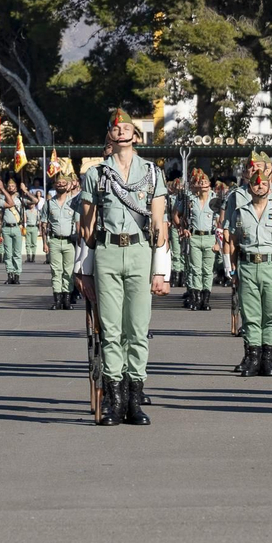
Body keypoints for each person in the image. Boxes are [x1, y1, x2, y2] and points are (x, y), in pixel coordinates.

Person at [77, 108, 169, 426]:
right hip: (107, 252)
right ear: (109, 135)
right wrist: (83, 270)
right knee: (111, 330)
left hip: (141, 251)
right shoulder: (95, 174)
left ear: (135, 134)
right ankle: (115, 401)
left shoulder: (152, 173)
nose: (121, 132)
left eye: (126, 127)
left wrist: (161, 270)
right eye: (115, 129)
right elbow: (86, 229)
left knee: (138, 330)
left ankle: (134, 401)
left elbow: (159, 224)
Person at [225, 152, 272, 377]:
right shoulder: (237, 199)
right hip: (247, 264)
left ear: (270, 172)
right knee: (250, 313)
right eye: (251, 167)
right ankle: (252, 356)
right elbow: (231, 236)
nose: (258, 182)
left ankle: (269, 356)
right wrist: (230, 269)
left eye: (260, 167)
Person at [177, 168, 218, 311]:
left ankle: (205, 300)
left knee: (207, 270)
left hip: (210, 237)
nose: (202, 185)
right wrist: (183, 228)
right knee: (195, 269)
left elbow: (221, 222)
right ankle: (195, 297)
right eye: (200, 183)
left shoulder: (215, 200)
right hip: (194, 237)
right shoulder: (190, 200)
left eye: (205, 182)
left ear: (209, 185)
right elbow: (179, 216)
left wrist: (219, 242)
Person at [44, 171, 82, 309]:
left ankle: (67, 299)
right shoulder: (49, 204)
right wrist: (44, 243)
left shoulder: (74, 203)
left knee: (68, 271)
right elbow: (43, 224)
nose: (60, 185)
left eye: (63, 183)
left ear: (68, 186)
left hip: (69, 242)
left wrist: (79, 241)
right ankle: (57, 300)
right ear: (54, 185)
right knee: (56, 271)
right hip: (54, 241)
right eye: (58, 183)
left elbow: (78, 224)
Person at [0, 177, 27, 285]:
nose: (11, 187)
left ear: (16, 187)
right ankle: (10, 274)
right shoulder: (2, 198)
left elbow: (35, 201)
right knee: (8, 253)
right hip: (6, 227)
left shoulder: (20, 198)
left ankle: (17, 274)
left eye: (13, 186)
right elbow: (0, 214)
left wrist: (25, 191)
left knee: (17, 253)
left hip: (17, 227)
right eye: (9, 186)